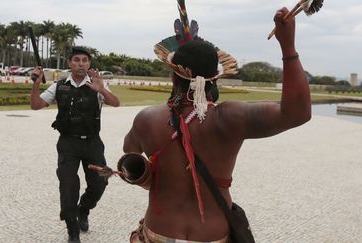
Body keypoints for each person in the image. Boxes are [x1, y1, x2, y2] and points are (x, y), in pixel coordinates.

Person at [119, 6, 311, 243]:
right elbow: (298, 113)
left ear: (173, 76)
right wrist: (288, 46)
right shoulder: (229, 118)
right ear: (215, 78)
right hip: (213, 236)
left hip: (159, 232)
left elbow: (130, 151)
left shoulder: (147, 119)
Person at [30, 46, 120, 243]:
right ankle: (72, 229)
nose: (81, 64)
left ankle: (84, 209)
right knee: (68, 185)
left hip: (93, 143)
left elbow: (116, 103)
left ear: (89, 64)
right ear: (69, 63)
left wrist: (102, 89)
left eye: (85, 60)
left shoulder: (96, 84)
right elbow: (36, 105)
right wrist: (36, 84)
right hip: (68, 143)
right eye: (77, 60)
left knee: (100, 182)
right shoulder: (59, 86)